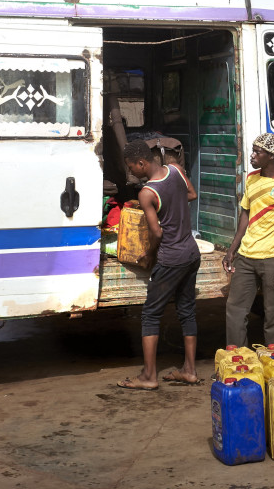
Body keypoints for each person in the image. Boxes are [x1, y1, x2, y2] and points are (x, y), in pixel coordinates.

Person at [116, 139, 201, 390]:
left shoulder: (147, 193)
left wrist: (148, 254)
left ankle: (149, 377)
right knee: (187, 311)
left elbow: (158, 233)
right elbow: (191, 194)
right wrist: (171, 205)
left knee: (151, 314)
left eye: (132, 167)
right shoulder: (175, 169)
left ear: (142, 163)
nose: (132, 172)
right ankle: (189, 370)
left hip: (171, 258)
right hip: (191, 254)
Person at [223, 133, 274, 348]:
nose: (252, 156)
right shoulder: (251, 179)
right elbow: (245, 214)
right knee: (235, 309)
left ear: (271, 156)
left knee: (273, 312)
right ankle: (237, 359)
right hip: (246, 256)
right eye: (253, 151)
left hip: (273, 258)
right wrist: (233, 249)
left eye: (258, 152)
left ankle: (273, 360)